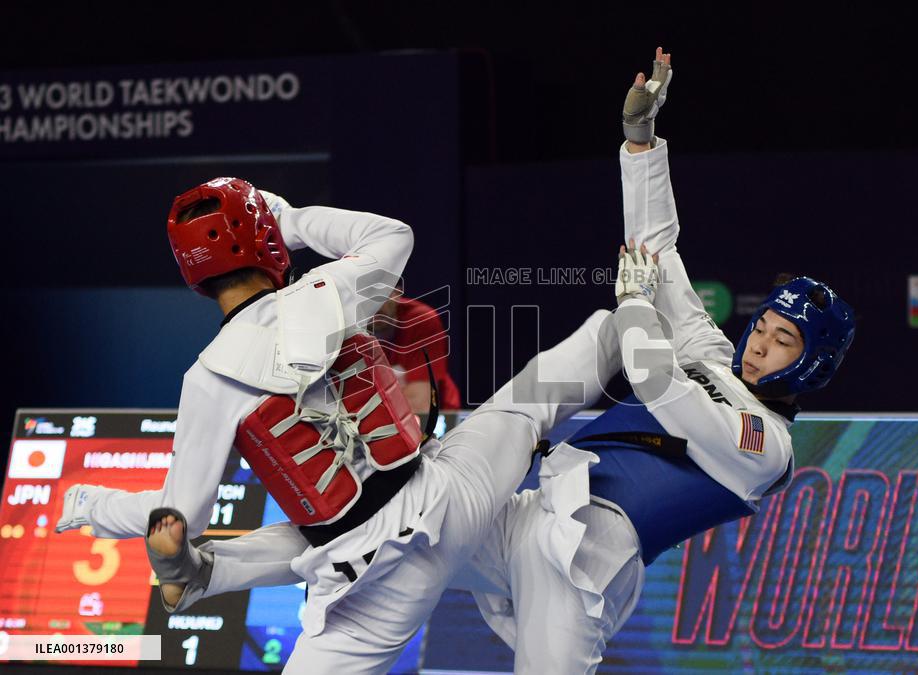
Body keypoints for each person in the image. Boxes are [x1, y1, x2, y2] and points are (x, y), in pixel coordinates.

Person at [141, 48, 856, 674]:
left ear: (810, 366)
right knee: (378, 517)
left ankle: (530, 407)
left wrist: (638, 304)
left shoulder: (768, 447)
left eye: (783, 341)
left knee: (622, 323)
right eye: (764, 326)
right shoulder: (712, 352)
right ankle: (206, 570)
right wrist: (641, 144)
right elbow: (657, 252)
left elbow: (662, 387)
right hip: (527, 510)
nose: (760, 342)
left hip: (584, 562)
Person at [56, 178, 624, 674]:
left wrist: (93, 504)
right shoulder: (326, 291)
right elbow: (394, 234)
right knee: (530, 399)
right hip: (451, 498)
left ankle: (197, 574)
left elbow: (183, 516)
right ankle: (632, 321)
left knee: (306, 539)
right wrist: (291, 219)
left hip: (371, 584)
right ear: (262, 237)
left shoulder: (207, 380)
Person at [370, 284, 462, 411]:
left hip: (438, 415)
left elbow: (421, 405)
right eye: (365, 295)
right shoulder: (345, 326)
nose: (375, 304)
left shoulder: (422, 320)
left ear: (397, 292)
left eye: (381, 294)